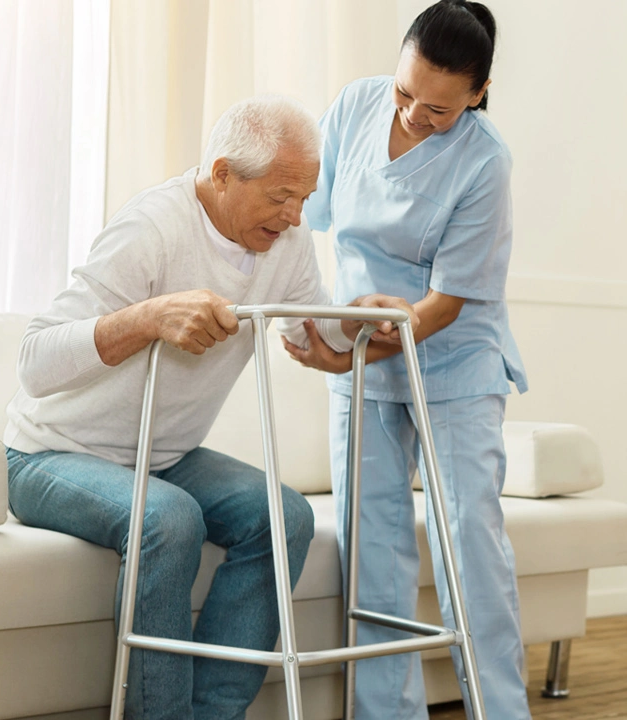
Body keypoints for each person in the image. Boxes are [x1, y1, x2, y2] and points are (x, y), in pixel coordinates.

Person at [3, 95, 415, 720]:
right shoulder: (153, 227)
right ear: (223, 174)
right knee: (168, 519)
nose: (295, 215)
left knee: (284, 516)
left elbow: (315, 332)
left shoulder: (287, 244)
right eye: (281, 195)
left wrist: (364, 319)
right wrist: (148, 317)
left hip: (163, 455)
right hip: (50, 454)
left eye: (305, 197)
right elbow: (35, 362)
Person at [282, 2, 531, 718]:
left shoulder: (486, 160)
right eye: (405, 93)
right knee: (373, 551)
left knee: (467, 549)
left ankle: (499, 710)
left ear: (477, 94)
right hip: (363, 355)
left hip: (453, 366)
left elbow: (447, 302)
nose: (416, 114)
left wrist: (356, 347)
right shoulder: (356, 105)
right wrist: (328, 338)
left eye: (440, 109)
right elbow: (311, 215)